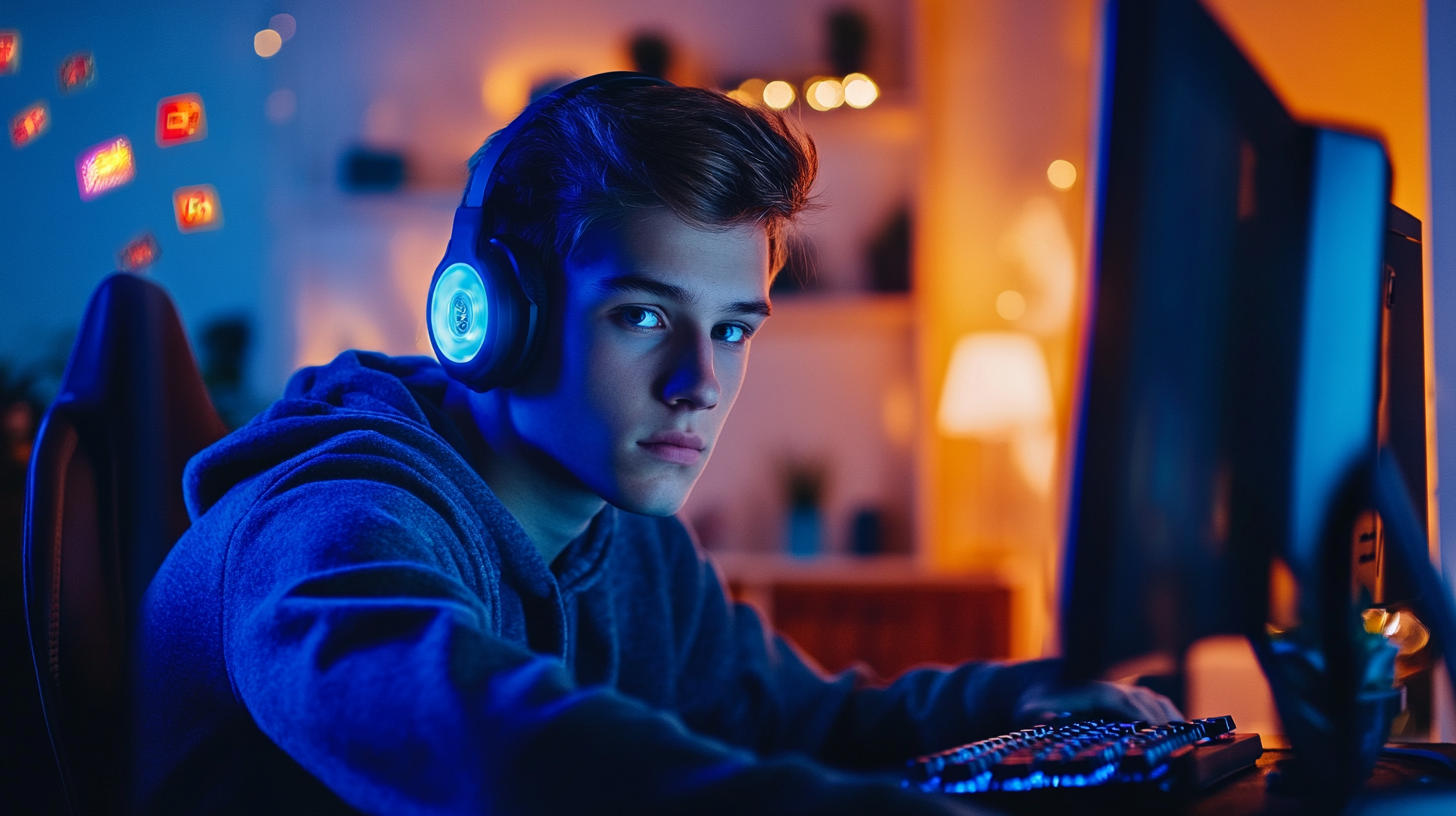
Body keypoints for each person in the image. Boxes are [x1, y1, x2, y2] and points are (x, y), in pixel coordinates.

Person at [135, 75, 1177, 815]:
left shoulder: (624, 541)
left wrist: (1026, 700)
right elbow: (489, 749)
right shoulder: (338, 522)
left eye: (731, 327)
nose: (701, 383)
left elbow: (794, 722)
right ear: (491, 315)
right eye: (641, 316)